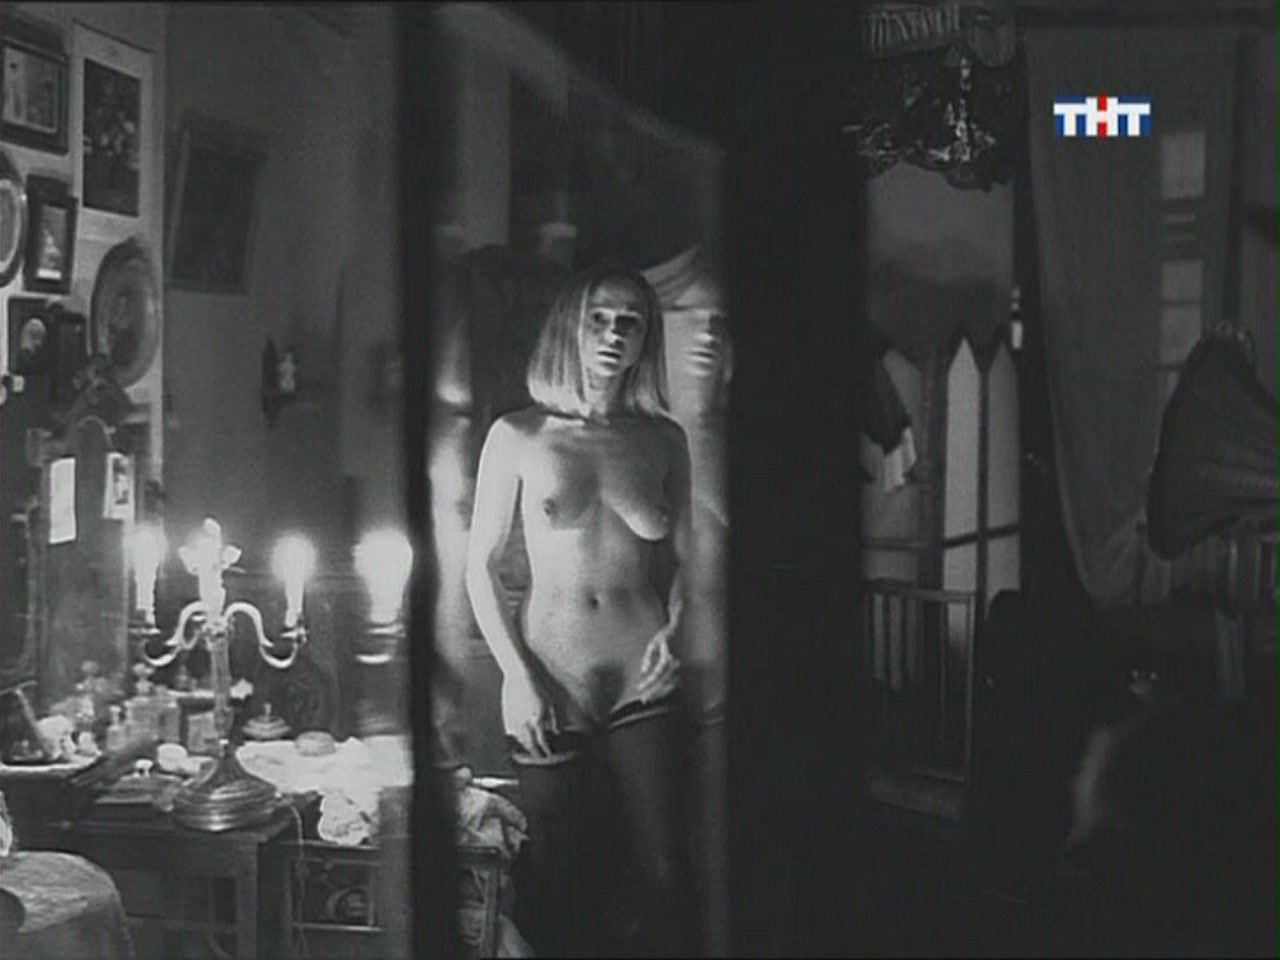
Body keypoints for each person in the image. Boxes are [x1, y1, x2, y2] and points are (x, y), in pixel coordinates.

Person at [465, 266, 693, 956]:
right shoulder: (518, 435)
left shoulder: (663, 439)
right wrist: (517, 676)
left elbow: (688, 562)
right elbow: (479, 566)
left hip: (643, 675)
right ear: (571, 326)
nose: (614, 334)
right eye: (600, 318)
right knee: (554, 882)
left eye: (631, 322)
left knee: (664, 874)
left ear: (645, 339)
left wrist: (678, 631)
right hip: (550, 676)